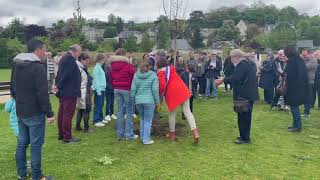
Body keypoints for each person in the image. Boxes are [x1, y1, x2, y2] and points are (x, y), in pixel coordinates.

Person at [11, 39, 54, 180]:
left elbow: (13, 88)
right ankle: (36, 176)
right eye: (44, 49)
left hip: (21, 110)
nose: (45, 53)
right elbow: (42, 93)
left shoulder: (16, 64)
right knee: (35, 146)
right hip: (34, 113)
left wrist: (20, 102)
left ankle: (21, 174)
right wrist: (49, 113)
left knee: (22, 143)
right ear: (38, 50)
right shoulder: (37, 67)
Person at [157, 56, 200, 144]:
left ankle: (172, 134)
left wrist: (159, 94)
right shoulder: (171, 69)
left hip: (172, 93)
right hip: (183, 90)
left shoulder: (161, 73)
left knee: (172, 113)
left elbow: (162, 85)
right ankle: (195, 132)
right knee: (188, 112)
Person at [223, 49, 259, 144]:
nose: (231, 59)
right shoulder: (249, 63)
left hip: (243, 95)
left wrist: (223, 79)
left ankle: (245, 139)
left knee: (243, 117)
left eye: (232, 57)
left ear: (236, 57)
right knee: (245, 117)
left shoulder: (242, 65)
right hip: (249, 95)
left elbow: (236, 78)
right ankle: (244, 136)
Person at [55, 44, 82, 143]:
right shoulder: (69, 59)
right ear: (75, 51)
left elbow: (59, 74)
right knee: (67, 114)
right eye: (79, 52)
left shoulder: (64, 58)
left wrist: (58, 85)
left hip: (64, 91)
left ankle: (62, 134)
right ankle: (67, 136)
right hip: (69, 92)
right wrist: (58, 85)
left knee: (62, 113)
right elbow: (65, 76)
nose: (79, 55)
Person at [109, 48, 137, 141]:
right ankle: (129, 134)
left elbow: (110, 78)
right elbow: (134, 76)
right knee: (129, 112)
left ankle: (120, 134)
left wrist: (115, 86)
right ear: (123, 55)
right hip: (126, 89)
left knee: (120, 111)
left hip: (117, 89)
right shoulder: (128, 65)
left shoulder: (112, 66)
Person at [131, 59, 160, 145]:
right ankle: (146, 139)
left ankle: (142, 137)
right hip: (149, 101)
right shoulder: (154, 75)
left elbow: (133, 89)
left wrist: (133, 99)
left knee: (143, 119)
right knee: (148, 120)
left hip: (138, 101)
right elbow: (155, 90)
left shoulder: (136, 75)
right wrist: (157, 101)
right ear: (149, 66)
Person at [284, 46, 308, 132]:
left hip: (293, 87)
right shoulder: (300, 60)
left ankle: (297, 126)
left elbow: (289, 75)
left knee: (294, 107)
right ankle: (295, 125)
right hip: (300, 87)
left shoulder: (292, 62)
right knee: (295, 107)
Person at [75, 53, 94, 133]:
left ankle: (78, 126)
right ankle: (86, 128)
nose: (88, 62)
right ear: (82, 60)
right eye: (86, 61)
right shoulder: (80, 68)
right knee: (87, 109)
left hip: (80, 91)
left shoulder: (79, 67)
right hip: (84, 92)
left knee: (81, 110)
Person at [301, 48, 317, 118]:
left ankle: (307, 114)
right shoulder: (306, 60)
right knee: (305, 97)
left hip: (309, 81)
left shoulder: (313, 60)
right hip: (305, 81)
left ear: (310, 54)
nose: (304, 56)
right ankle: (306, 112)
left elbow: (305, 67)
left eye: (305, 55)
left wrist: (301, 61)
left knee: (307, 97)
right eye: (303, 55)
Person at [92, 54, 107, 127]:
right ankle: (96, 120)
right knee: (98, 105)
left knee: (101, 104)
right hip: (99, 89)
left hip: (102, 89)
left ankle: (100, 118)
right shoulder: (96, 68)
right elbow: (96, 80)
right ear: (100, 59)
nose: (104, 61)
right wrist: (98, 91)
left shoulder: (100, 67)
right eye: (104, 59)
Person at [103, 54, 117, 122]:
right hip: (108, 88)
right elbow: (105, 80)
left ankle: (111, 113)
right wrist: (109, 86)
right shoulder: (106, 69)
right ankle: (107, 114)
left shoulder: (114, 69)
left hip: (113, 88)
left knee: (112, 102)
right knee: (108, 102)